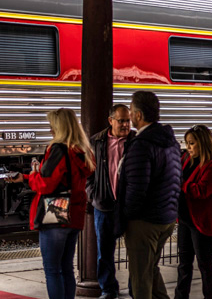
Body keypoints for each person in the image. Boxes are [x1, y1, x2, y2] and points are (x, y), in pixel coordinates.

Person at [7, 108, 94, 299]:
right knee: (66, 267)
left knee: (52, 269)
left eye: (52, 125)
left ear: (59, 127)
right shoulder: (82, 150)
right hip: (75, 210)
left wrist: (32, 175)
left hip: (56, 209)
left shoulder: (58, 149)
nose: (50, 129)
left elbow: (46, 184)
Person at [116, 91, 181, 299]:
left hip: (144, 222)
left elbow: (136, 188)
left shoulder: (141, 145)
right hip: (166, 217)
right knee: (150, 268)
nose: (131, 115)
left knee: (140, 278)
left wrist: (126, 215)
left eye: (132, 111)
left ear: (139, 115)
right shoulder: (171, 142)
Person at [87, 104, 136, 299]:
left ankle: (135, 288)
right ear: (110, 121)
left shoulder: (135, 141)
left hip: (129, 206)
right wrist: (93, 194)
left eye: (127, 120)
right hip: (104, 203)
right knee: (104, 251)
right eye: (121, 121)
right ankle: (108, 289)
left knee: (135, 251)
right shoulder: (96, 142)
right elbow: (88, 172)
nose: (125, 125)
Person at [174, 125, 212, 299]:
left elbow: (201, 190)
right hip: (186, 219)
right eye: (187, 143)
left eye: (192, 143)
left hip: (204, 222)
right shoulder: (185, 160)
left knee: (205, 264)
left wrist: (181, 185)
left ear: (202, 143)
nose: (188, 147)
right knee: (184, 264)